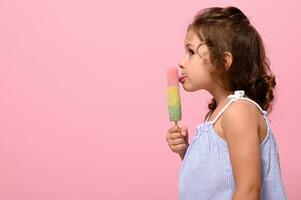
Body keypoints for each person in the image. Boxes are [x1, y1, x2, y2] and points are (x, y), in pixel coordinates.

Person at [166, 6, 286, 199]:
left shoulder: (238, 111)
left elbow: (248, 189)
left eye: (191, 52)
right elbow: (215, 179)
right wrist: (185, 151)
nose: (182, 62)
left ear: (223, 61)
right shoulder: (217, 116)